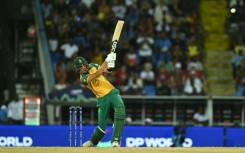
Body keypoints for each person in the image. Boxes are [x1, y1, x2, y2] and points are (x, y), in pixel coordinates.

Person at [73, 52, 126, 147]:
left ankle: (116, 140)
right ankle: (92, 141)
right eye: (80, 68)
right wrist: (106, 60)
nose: (82, 68)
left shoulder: (93, 65)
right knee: (102, 126)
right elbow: (97, 74)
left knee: (120, 111)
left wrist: (111, 63)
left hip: (112, 92)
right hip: (101, 99)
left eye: (83, 66)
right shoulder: (83, 78)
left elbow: (107, 70)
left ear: (85, 63)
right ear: (78, 70)